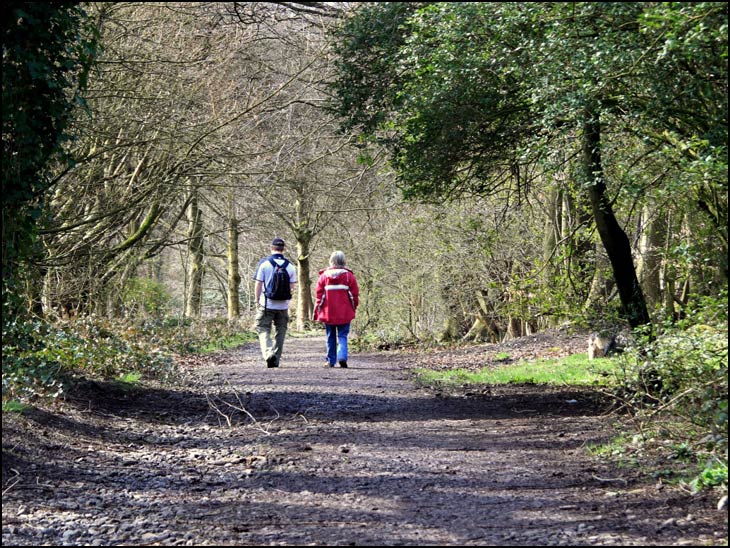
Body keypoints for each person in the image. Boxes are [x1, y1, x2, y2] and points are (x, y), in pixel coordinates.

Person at [253, 238, 297, 368]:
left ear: (271, 248)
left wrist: (257, 300)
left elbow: (258, 284)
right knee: (281, 331)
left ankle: (268, 353)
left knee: (263, 328)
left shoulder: (264, 264)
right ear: (284, 249)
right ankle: (276, 359)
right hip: (283, 305)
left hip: (266, 304)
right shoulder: (290, 266)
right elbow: (292, 287)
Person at [313, 251, 360, 368]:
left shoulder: (323, 277)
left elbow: (319, 296)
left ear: (331, 261)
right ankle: (342, 357)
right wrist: (353, 308)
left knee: (330, 336)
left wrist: (317, 310)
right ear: (344, 261)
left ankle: (330, 360)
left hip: (328, 312)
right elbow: (354, 295)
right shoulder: (349, 276)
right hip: (345, 312)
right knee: (343, 336)